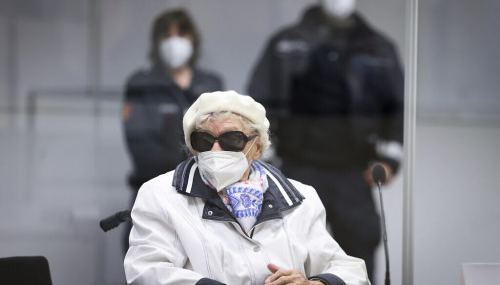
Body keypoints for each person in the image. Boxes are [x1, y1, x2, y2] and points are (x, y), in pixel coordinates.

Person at [247, 0, 404, 281]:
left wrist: (390, 161)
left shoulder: (378, 47)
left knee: (357, 252)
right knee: (290, 250)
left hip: (354, 171)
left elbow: (394, 109)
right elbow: (259, 101)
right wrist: (262, 157)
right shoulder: (286, 42)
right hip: (297, 168)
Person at [124, 90, 371, 285]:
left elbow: (350, 271)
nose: (215, 150)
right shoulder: (160, 195)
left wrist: (314, 283)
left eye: (232, 140)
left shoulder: (302, 198)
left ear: (258, 148)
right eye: (204, 140)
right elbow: (146, 271)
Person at [122, 9, 223, 253]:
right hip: (154, 189)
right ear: (156, 41)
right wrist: (179, 177)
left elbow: (221, 139)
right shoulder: (141, 84)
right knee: (149, 262)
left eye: (181, 34)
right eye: (166, 35)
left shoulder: (211, 84)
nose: (174, 41)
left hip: (205, 195)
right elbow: (139, 142)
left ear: (193, 40)